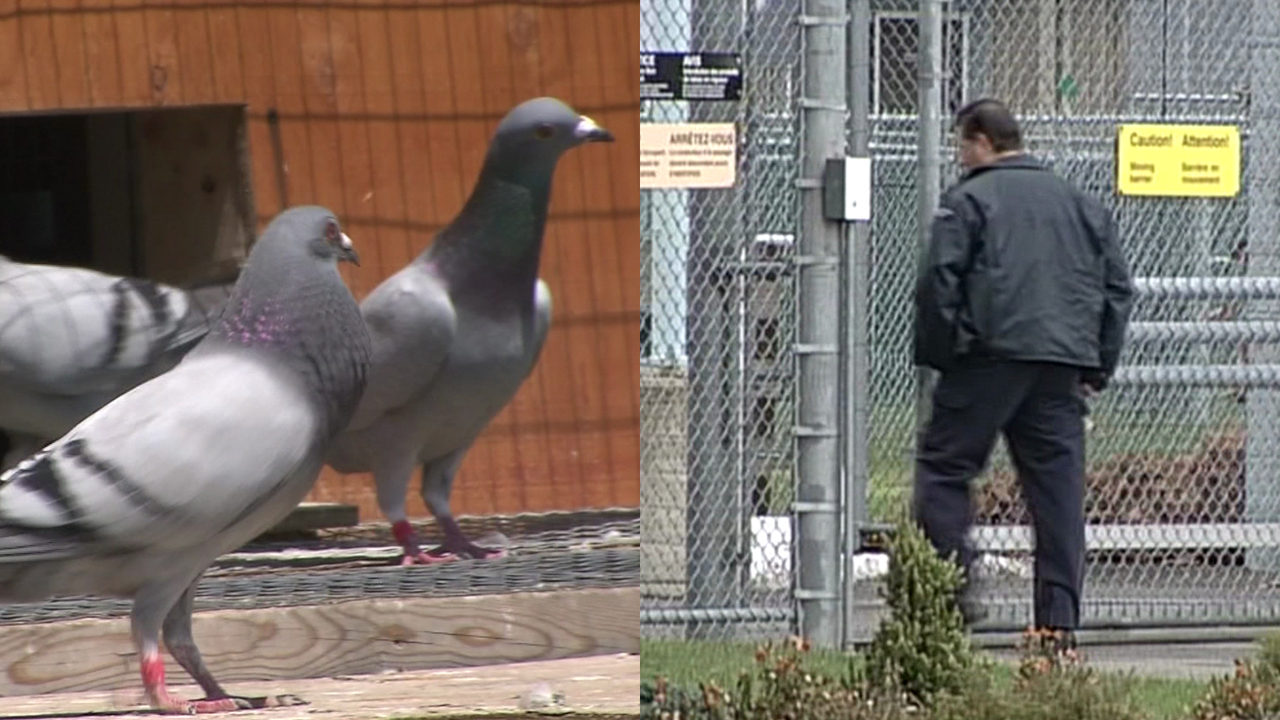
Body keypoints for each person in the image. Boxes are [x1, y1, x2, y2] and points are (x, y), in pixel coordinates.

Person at [911, 98, 1135, 650]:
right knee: (1056, 494)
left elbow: (939, 283)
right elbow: (1117, 290)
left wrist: (943, 355)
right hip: (1061, 366)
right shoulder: (1079, 203)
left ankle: (949, 592)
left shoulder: (968, 201)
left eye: (963, 145)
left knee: (944, 468)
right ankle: (1057, 622)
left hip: (988, 357)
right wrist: (1096, 366)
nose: (960, 156)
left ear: (981, 142)